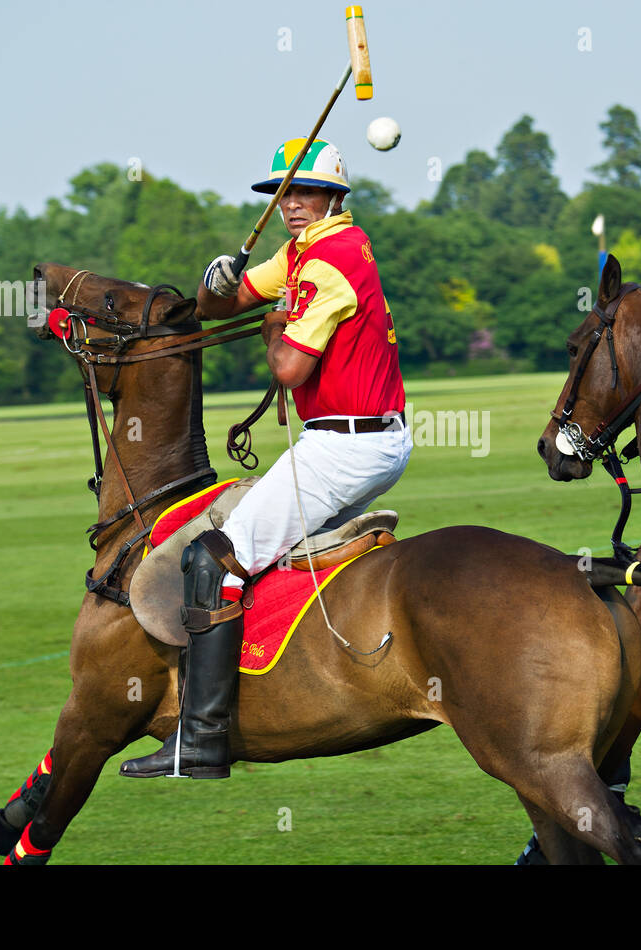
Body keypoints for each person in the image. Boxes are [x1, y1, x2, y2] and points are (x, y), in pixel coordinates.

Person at [120, 138, 411, 778]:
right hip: (356, 438)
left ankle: (200, 739)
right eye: (282, 193)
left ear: (334, 196)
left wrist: (276, 322)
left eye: (303, 191)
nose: (290, 204)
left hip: (346, 445)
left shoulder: (330, 263)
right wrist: (216, 279)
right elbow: (220, 304)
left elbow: (287, 366)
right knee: (267, 554)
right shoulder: (305, 252)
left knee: (213, 559)